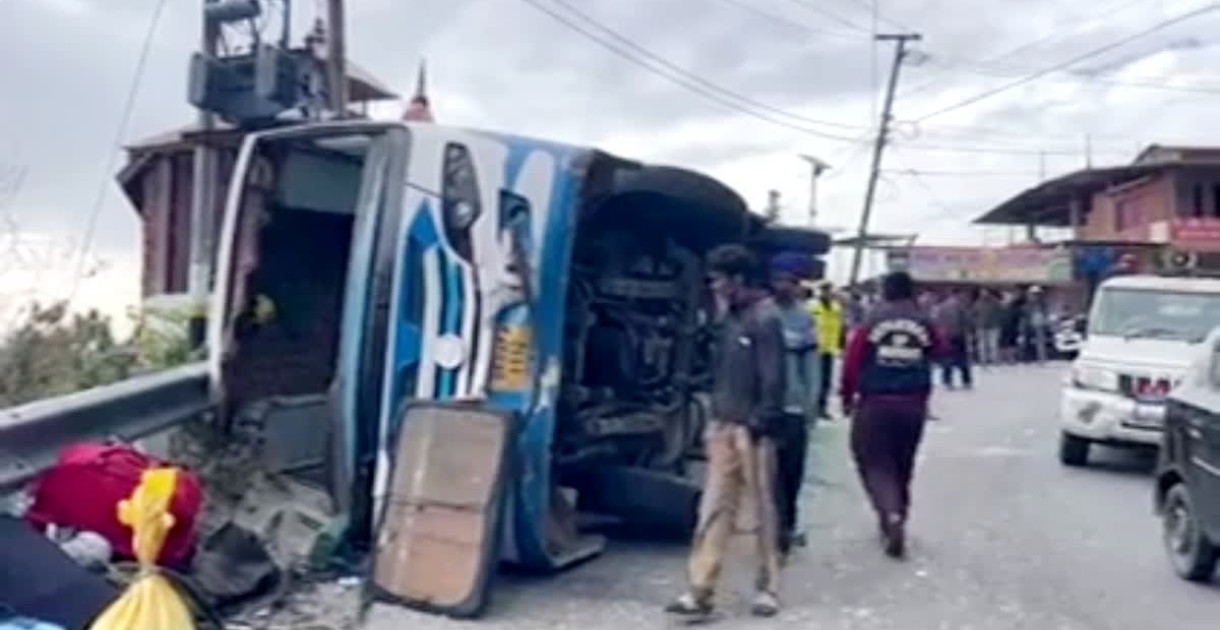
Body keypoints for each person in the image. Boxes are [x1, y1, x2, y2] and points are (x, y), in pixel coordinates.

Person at [666, 244, 786, 620]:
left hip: (753, 430)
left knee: (761, 511)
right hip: (723, 424)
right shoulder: (729, 318)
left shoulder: (765, 319)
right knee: (714, 508)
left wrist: (761, 421)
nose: (714, 287)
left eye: (719, 280)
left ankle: (767, 588)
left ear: (739, 279)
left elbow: (773, 379)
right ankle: (700, 589)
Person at [839, 271, 941, 559]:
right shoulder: (924, 321)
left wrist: (846, 396)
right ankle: (898, 516)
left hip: (875, 402)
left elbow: (853, 360)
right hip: (913, 404)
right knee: (902, 463)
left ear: (885, 291)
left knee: (873, 462)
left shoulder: (872, 320)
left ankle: (890, 514)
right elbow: (940, 350)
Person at [767, 253, 820, 559]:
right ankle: (770, 526)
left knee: (791, 472)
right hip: (764, 407)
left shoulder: (804, 319)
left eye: (789, 281)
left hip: (793, 408)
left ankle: (787, 525)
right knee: (765, 472)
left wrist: (811, 404)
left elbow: (811, 366)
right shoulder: (761, 315)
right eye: (778, 280)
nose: (783, 286)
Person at [809, 281, 844, 419]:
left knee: (826, 381)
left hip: (829, 348)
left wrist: (840, 345)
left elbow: (840, 327)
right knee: (814, 380)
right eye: (825, 290)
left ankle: (822, 408)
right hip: (815, 347)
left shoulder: (836, 307)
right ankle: (811, 408)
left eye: (829, 290)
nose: (827, 293)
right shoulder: (812, 306)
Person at [932, 289, 973, 389]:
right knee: (963, 359)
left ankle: (947, 380)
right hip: (958, 335)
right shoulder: (960, 306)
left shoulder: (941, 307)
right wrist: (967, 330)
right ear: (958, 294)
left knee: (947, 359)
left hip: (946, 336)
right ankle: (966, 380)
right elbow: (967, 320)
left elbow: (936, 321)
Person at [975, 289, 1003, 365]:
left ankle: (994, 360)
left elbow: (1001, 313)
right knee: (982, 345)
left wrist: (998, 323)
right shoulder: (978, 303)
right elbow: (974, 314)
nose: (984, 294)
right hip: (981, 326)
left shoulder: (995, 302)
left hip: (993, 326)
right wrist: (976, 323)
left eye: (985, 292)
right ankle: (983, 360)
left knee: (993, 344)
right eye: (982, 293)